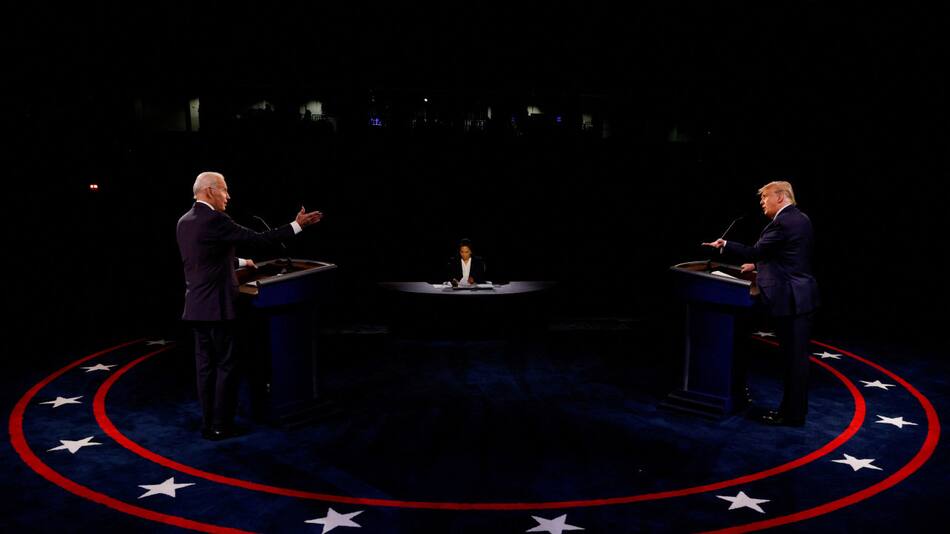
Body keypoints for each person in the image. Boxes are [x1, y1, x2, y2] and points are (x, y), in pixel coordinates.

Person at [176, 171, 323, 440]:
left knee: (205, 368)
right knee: (225, 367)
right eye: (224, 190)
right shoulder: (216, 219)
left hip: (195, 308)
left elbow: (205, 260)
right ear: (209, 190)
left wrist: (243, 263)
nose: (228, 196)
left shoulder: (185, 221)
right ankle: (221, 426)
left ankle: (209, 422)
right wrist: (297, 225)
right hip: (218, 309)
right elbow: (257, 239)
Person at [703, 180, 819, 426]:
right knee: (795, 360)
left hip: (791, 299)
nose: (762, 202)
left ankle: (791, 415)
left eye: (764, 197)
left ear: (780, 197)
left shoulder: (782, 222)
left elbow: (756, 251)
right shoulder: (802, 219)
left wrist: (725, 245)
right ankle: (793, 412)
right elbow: (789, 256)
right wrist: (758, 267)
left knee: (793, 361)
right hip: (800, 296)